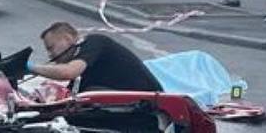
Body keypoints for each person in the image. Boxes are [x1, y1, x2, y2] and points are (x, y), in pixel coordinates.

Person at [28, 21, 164, 92]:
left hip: (147, 102)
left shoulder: (93, 43)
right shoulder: (85, 60)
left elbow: (69, 72)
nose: (50, 54)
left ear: (68, 39)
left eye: (51, 48)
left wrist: (30, 67)